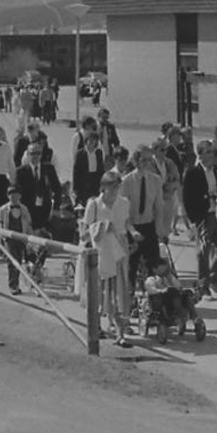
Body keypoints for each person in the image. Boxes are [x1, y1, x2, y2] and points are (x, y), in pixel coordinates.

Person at [82, 170, 133, 347]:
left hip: (118, 252)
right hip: (100, 253)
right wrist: (103, 228)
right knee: (98, 291)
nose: (114, 189)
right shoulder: (94, 205)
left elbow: (126, 224)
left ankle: (120, 332)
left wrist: (133, 233)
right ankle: (96, 327)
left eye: (117, 186)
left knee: (119, 292)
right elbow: (84, 233)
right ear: (103, 187)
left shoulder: (124, 202)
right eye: (111, 186)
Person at [183, 140, 217, 297]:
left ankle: (215, 278)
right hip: (203, 215)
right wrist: (193, 221)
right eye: (207, 152)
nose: (210, 155)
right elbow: (187, 198)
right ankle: (203, 283)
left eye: (211, 152)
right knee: (203, 249)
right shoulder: (192, 173)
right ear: (200, 154)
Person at [121, 146, 164, 287]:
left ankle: (153, 301)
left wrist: (159, 231)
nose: (147, 163)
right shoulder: (126, 181)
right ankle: (129, 299)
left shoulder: (156, 180)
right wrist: (132, 231)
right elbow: (124, 211)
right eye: (143, 159)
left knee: (153, 267)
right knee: (130, 268)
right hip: (131, 229)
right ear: (136, 160)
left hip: (149, 227)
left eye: (149, 160)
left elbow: (158, 207)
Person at [15, 141, 62, 232]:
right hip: (28, 211)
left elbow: (57, 188)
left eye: (38, 153)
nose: (35, 156)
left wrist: (56, 207)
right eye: (33, 153)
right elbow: (18, 192)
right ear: (28, 154)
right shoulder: (21, 171)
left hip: (46, 210)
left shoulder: (49, 169)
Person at [0, 185, 34, 295]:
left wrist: (30, 239)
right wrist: (0, 236)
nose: (13, 197)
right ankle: (13, 285)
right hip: (9, 238)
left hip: (21, 238)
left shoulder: (24, 209)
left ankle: (18, 283)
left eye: (16, 195)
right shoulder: (3, 209)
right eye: (11, 195)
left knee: (19, 260)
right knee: (12, 261)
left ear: (20, 196)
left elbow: (29, 224)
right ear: (8, 196)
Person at [72, 130, 106, 206]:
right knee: (84, 204)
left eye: (93, 140)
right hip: (84, 182)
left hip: (95, 182)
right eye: (89, 140)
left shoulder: (99, 153)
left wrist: (103, 184)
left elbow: (101, 170)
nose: (91, 142)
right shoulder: (80, 153)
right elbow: (76, 171)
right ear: (86, 141)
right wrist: (75, 189)